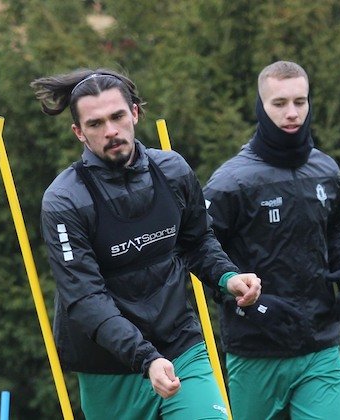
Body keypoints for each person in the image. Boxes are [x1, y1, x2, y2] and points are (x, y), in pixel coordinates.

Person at [31, 68, 262, 420]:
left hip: (180, 344)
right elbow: (85, 298)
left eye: (118, 116)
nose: (110, 131)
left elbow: (197, 241)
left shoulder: (173, 171)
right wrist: (146, 358)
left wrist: (228, 278)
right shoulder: (65, 201)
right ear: (79, 132)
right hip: (108, 367)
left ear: (135, 113)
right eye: (95, 124)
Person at [203, 60, 340, 419]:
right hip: (255, 349)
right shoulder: (231, 182)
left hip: (319, 344)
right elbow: (201, 251)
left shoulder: (325, 170)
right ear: (261, 107)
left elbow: (338, 228)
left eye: (300, 102)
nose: (292, 113)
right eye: (279, 103)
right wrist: (247, 302)